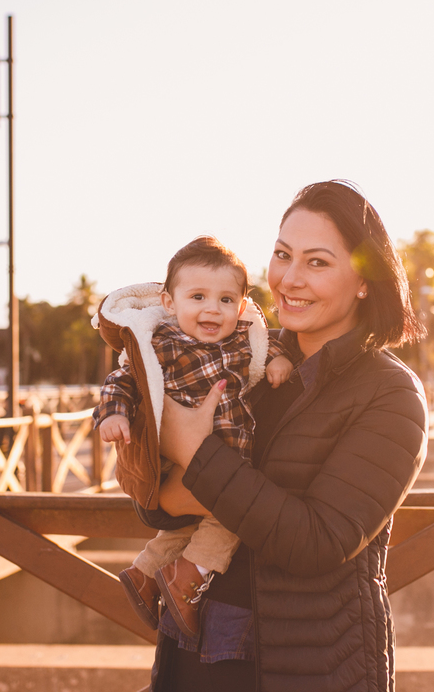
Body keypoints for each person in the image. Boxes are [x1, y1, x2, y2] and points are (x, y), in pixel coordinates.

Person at [144, 180, 428, 691]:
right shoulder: (239, 356)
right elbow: (155, 498)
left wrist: (193, 451)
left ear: (364, 280)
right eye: (282, 255)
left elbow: (318, 541)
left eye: (317, 262)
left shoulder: (391, 395)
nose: (289, 279)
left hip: (306, 666)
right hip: (191, 651)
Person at [93, 236, 294, 638]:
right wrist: (112, 415)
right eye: (198, 296)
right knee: (237, 516)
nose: (211, 309)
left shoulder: (243, 341)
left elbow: (266, 349)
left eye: (225, 300)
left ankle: (147, 572)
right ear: (170, 303)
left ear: (241, 307)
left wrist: (280, 360)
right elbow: (124, 379)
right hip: (184, 465)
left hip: (225, 459)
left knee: (192, 526)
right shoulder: (162, 345)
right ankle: (188, 578)